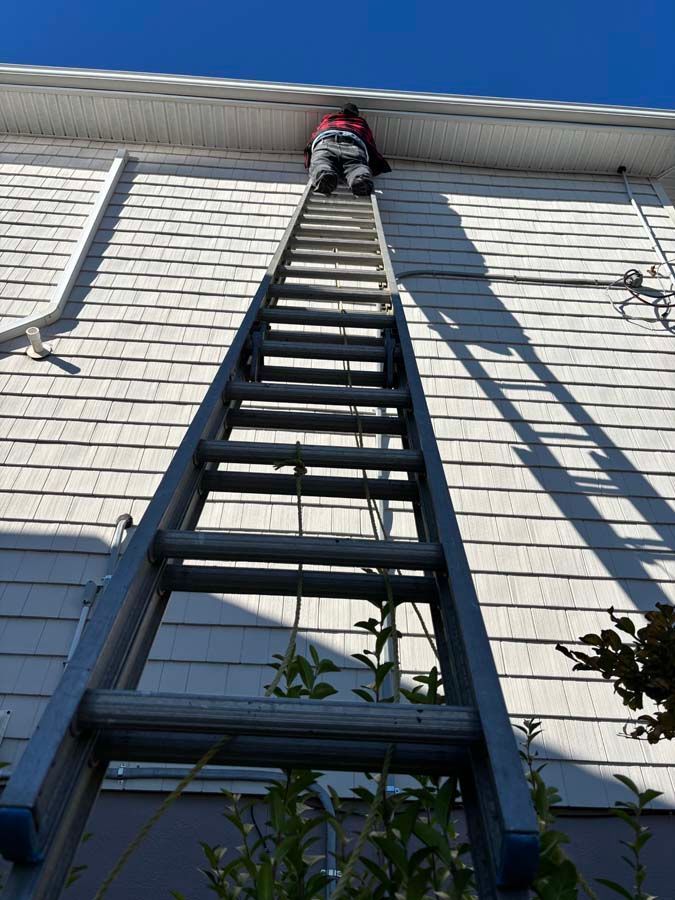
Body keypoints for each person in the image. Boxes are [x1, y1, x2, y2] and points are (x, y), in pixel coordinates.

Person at [304, 103, 391, 197]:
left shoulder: (328, 119)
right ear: (356, 114)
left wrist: (308, 156)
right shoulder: (361, 123)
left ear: (341, 112)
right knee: (356, 166)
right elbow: (370, 142)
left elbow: (314, 135)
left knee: (321, 162)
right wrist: (377, 164)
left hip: (326, 143)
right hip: (354, 146)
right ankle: (360, 179)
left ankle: (324, 176)